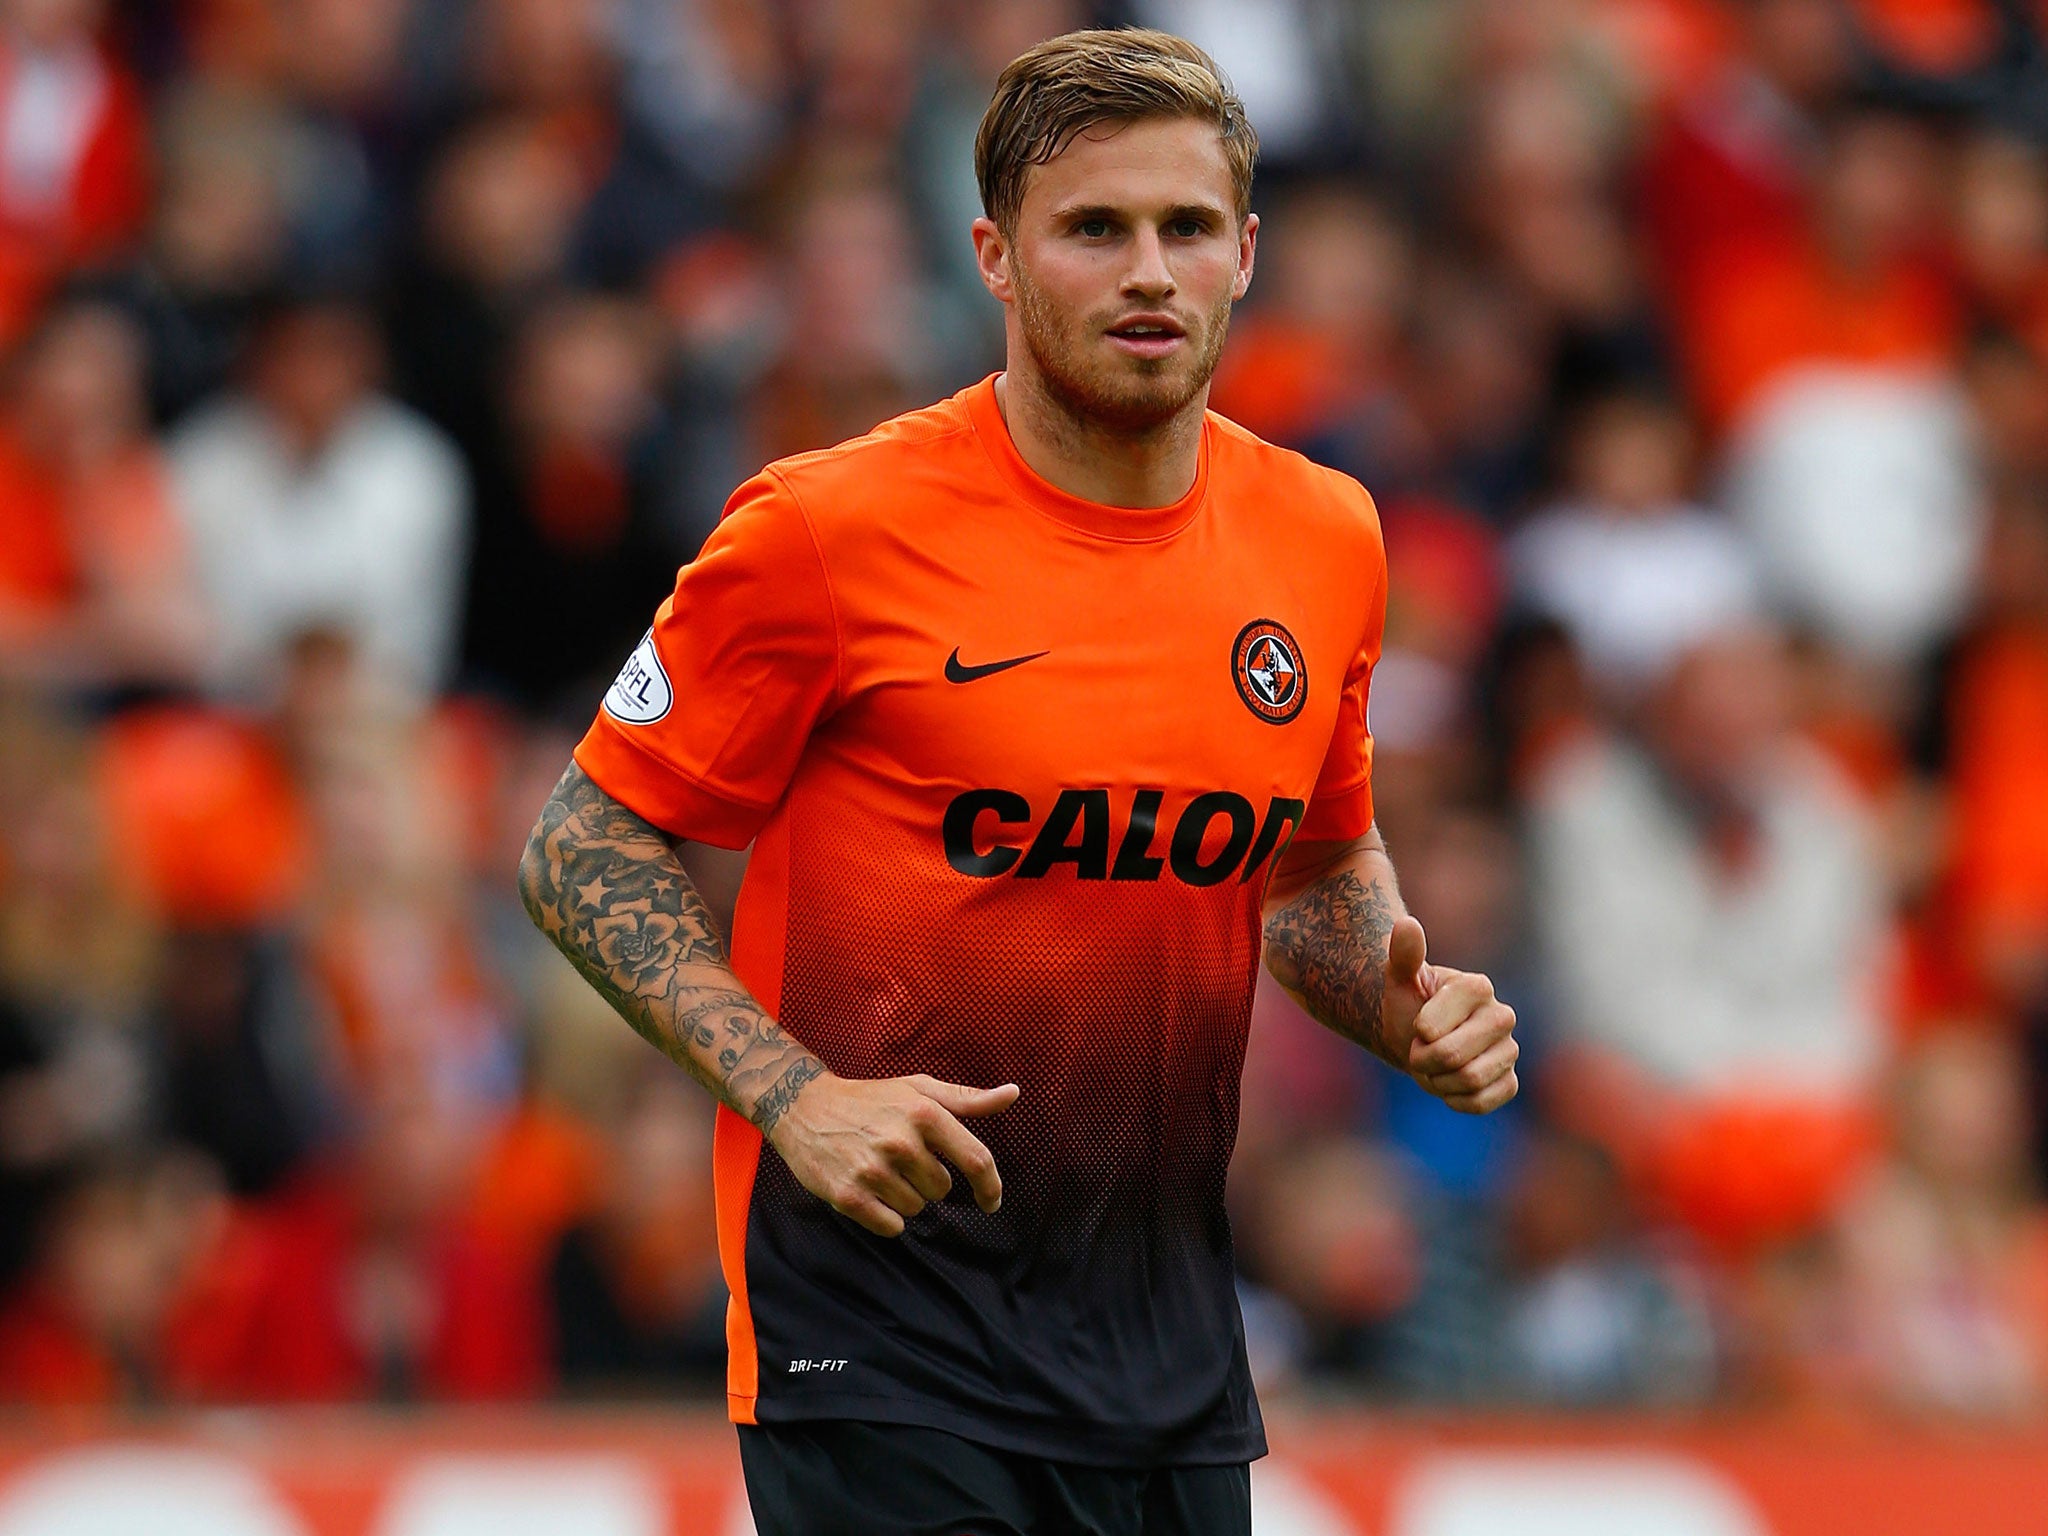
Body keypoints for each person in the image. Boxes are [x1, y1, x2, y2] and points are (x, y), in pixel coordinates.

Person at [518, 29, 1518, 1536]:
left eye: (1186, 229)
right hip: (878, 1338)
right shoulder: (825, 530)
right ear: (995, 254)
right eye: (1093, 229)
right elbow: (581, 845)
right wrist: (797, 1098)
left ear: (1247, 253)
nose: (1148, 272)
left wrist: (1400, 997)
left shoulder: (1325, 539)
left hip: (1166, 1349)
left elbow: (1310, 866)